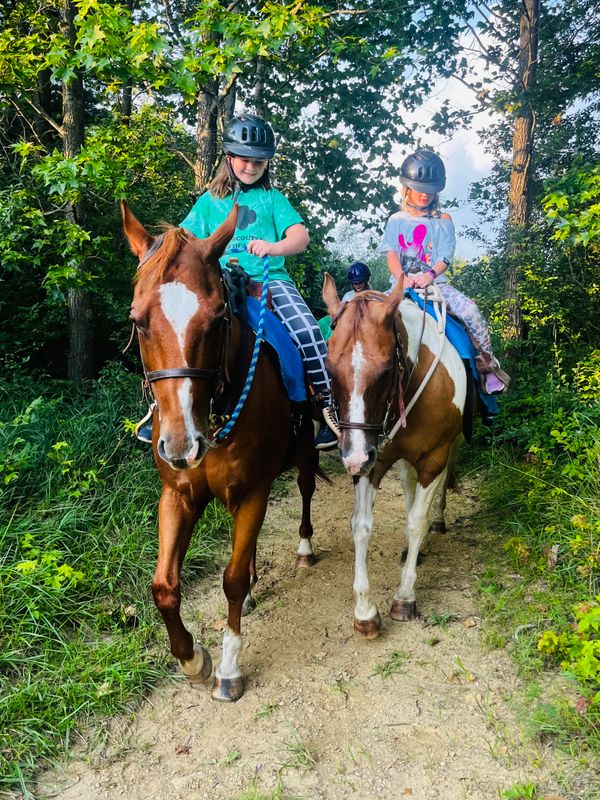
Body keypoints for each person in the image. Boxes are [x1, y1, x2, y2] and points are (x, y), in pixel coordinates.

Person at [136, 114, 339, 450]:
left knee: (307, 330)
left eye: (259, 162)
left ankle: (328, 406)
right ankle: (156, 407)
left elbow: (300, 238)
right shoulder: (209, 202)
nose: (251, 167)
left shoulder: (273, 199)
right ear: (229, 159)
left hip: (269, 280)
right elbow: (181, 240)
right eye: (245, 160)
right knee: (174, 332)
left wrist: (275, 247)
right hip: (221, 283)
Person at [380, 148, 510, 396]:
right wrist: (402, 279)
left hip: (436, 284)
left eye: (430, 191)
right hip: (401, 285)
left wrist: (429, 275)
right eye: (419, 190)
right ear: (407, 188)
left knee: (470, 311)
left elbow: (445, 257)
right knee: (368, 315)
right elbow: (392, 255)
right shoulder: (396, 219)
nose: (424, 196)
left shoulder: (444, 219)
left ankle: (487, 366)